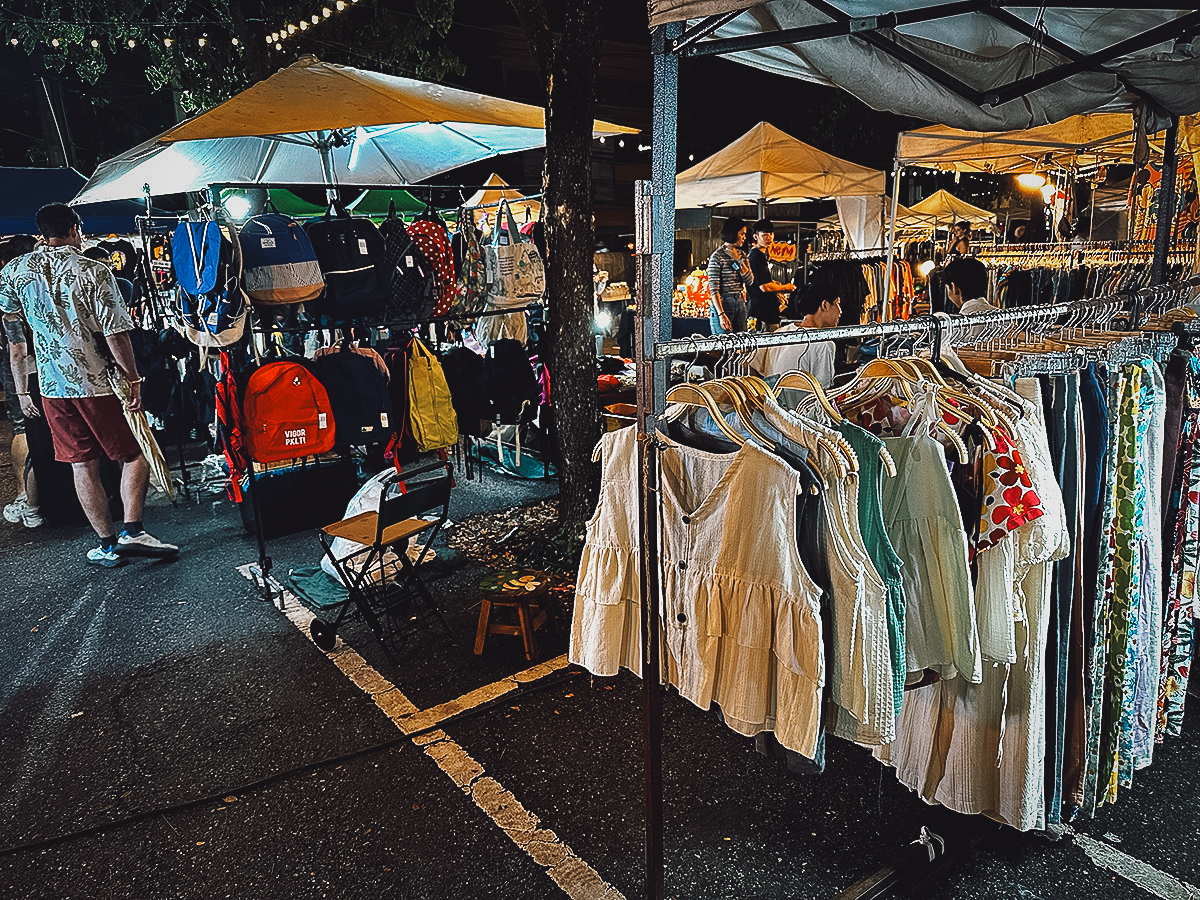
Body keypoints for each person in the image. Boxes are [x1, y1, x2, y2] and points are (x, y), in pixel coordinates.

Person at [0, 203, 178, 567]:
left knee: (82, 465)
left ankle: (107, 544)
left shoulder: (14, 271)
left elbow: (14, 335)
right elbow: (116, 333)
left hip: (51, 385)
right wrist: (133, 378)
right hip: (95, 380)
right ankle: (132, 530)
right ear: (75, 228)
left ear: (41, 232)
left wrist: (21, 390)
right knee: (134, 454)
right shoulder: (93, 270)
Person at [1, 235, 42, 528]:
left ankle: (27, 498)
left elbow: (14, 345)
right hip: (49, 362)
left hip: (20, 363)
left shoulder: (8, 286)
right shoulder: (40, 280)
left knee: (23, 427)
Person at [753, 281, 841, 385]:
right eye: (837, 304)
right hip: (802, 401)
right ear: (825, 305)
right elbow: (823, 390)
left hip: (772, 398)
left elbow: (755, 367)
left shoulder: (780, 333)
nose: (840, 311)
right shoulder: (823, 345)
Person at [745, 219, 796, 332]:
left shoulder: (761, 254)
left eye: (770, 234)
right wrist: (787, 287)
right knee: (766, 347)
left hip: (763, 310)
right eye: (764, 235)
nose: (768, 238)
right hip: (762, 312)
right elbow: (764, 287)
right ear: (755, 237)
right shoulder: (757, 256)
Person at [706, 216, 753, 334]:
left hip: (739, 300)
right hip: (723, 302)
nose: (744, 237)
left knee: (742, 342)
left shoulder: (742, 255)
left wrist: (738, 260)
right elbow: (714, 289)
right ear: (733, 233)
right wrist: (721, 314)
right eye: (742, 234)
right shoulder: (717, 257)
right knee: (724, 345)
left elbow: (750, 280)